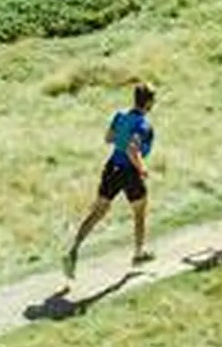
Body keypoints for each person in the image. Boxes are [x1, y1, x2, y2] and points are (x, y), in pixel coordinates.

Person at [65, 82, 157, 281]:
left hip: (112, 167)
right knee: (139, 212)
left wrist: (122, 137)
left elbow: (108, 138)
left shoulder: (120, 116)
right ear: (149, 103)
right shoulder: (143, 125)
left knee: (98, 211)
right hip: (130, 172)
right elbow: (134, 149)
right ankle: (139, 253)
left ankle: (73, 250)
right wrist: (142, 168)